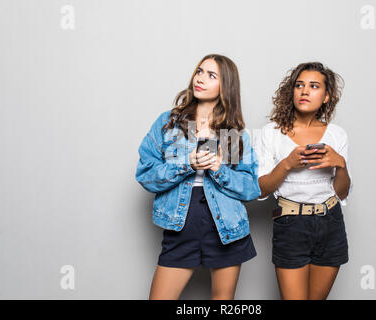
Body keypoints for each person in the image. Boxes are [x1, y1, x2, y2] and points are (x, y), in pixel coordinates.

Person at [135, 54, 260, 300]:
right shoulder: (169, 123)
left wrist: (219, 170)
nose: (200, 79)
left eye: (211, 75)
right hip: (181, 221)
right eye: (199, 71)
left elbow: (251, 188)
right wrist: (186, 164)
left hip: (227, 225)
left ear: (226, 86)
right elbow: (145, 173)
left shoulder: (231, 133)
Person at [256, 62, 353, 300]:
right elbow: (260, 189)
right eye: (299, 85)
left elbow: (341, 192)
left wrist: (340, 164)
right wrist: (287, 164)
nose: (305, 91)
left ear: (326, 96)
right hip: (291, 224)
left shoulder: (337, 135)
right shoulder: (271, 133)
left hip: (330, 222)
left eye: (314, 86)